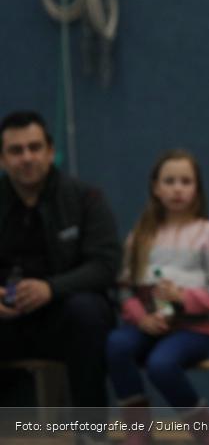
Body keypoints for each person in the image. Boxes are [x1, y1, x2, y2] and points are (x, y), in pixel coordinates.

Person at [0, 110, 120, 445]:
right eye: (16, 150)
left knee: (89, 312)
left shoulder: (86, 198)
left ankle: (91, 435)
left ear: (50, 151)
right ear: (2, 158)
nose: (27, 158)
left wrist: (51, 289)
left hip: (65, 317)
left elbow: (105, 265)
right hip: (8, 322)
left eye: (35, 147)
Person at [106, 149, 209, 445]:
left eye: (185, 181)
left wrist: (183, 297)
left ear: (196, 188)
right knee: (116, 345)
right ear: (155, 187)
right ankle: (137, 431)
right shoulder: (140, 235)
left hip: (193, 330)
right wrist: (141, 318)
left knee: (161, 365)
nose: (177, 188)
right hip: (148, 326)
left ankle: (208, 433)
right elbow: (124, 286)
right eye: (169, 181)